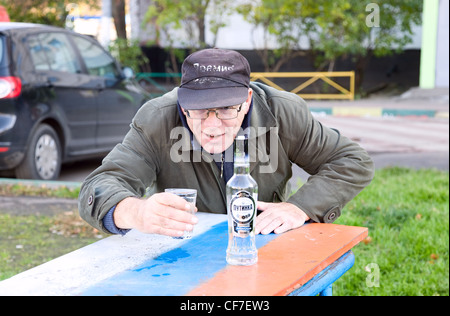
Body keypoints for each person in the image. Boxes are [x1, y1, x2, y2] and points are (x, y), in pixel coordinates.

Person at [79, 48, 374, 238]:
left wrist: (300, 207)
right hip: (183, 254)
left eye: (225, 110)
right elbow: (100, 186)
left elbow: (352, 161)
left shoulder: (282, 112)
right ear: (183, 104)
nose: (211, 126)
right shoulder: (157, 118)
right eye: (198, 110)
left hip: (264, 245)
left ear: (246, 101)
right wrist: (137, 211)